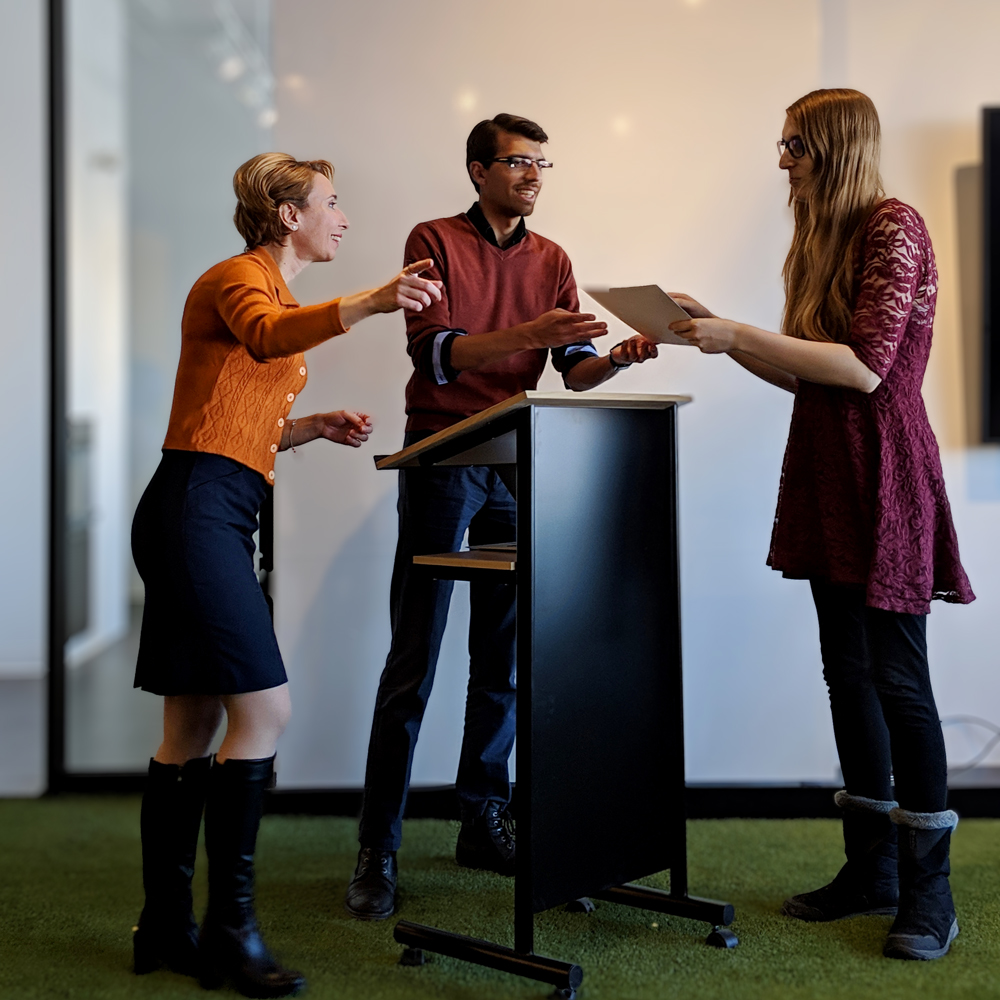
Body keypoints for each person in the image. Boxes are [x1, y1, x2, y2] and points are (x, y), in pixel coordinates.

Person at [669, 89, 974, 961]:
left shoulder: (894, 224)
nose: (780, 160)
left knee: (898, 680)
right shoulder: (822, 239)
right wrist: (718, 336)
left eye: (792, 144)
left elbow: (867, 371)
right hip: (829, 469)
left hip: (883, 471)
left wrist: (737, 333)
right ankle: (871, 871)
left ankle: (929, 894)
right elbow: (815, 378)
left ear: (833, 144)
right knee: (848, 672)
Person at [130, 152, 443, 998]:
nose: (343, 218)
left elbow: (231, 415)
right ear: (285, 215)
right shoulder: (239, 280)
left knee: (190, 727)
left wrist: (306, 427)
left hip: (212, 504)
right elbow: (263, 339)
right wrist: (373, 302)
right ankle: (231, 936)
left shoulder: (277, 293)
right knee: (266, 709)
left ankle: (166, 927)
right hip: (196, 509)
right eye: (331, 205)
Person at [346, 113, 659, 921]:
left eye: (542, 164)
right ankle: (377, 847)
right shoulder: (434, 239)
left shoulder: (553, 258)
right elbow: (437, 353)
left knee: (503, 659)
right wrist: (528, 333)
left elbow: (572, 371)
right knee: (414, 656)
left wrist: (614, 358)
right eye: (519, 162)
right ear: (479, 170)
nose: (533, 175)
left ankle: (483, 819)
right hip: (444, 463)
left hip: (520, 466)